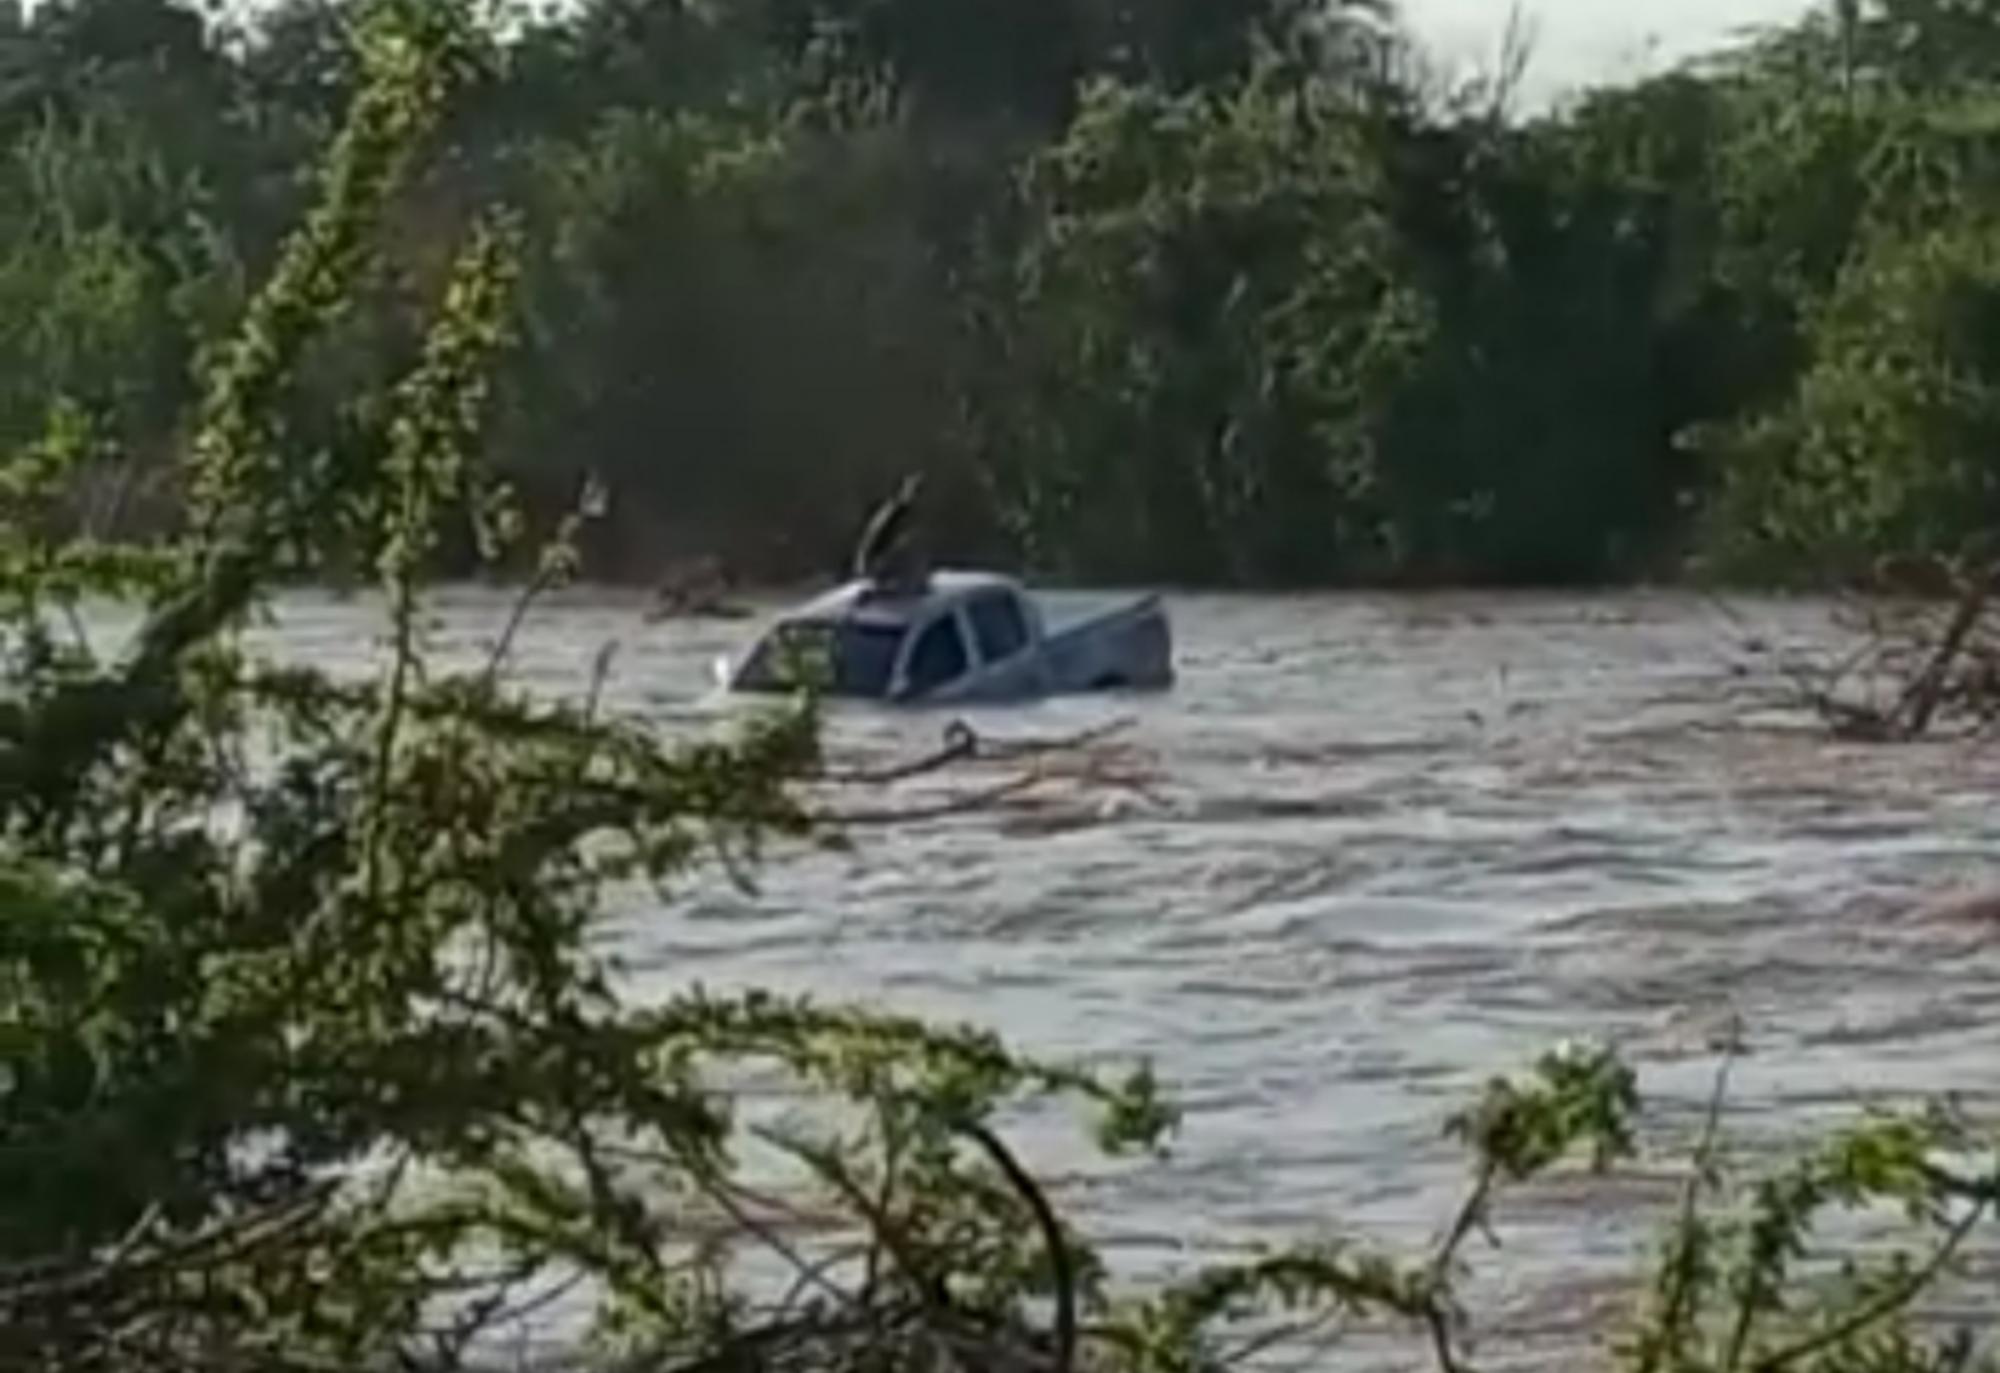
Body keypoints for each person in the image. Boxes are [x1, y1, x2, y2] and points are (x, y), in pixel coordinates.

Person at [850, 472, 929, 593]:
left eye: (916, 490)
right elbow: (870, 535)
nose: (912, 494)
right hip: (880, 562)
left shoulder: (910, 512)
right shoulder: (889, 510)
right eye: (909, 489)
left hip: (897, 565)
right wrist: (860, 563)